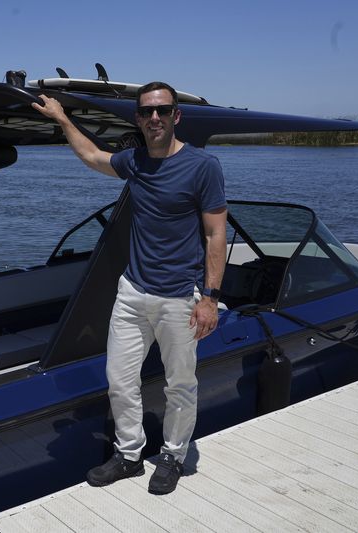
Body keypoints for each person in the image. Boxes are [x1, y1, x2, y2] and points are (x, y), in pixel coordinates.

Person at [32, 82, 227, 495]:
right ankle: (129, 455)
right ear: (138, 119)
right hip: (132, 291)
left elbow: (215, 235)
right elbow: (92, 156)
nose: (154, 118)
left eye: (162, 110)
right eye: (146, 112)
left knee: (180, 383)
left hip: (180, 296)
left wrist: (210, 299)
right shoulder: (135, 161)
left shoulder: (202, 166)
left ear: (177, 116)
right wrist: (62, 118)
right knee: (119, 380)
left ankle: (173, 456)